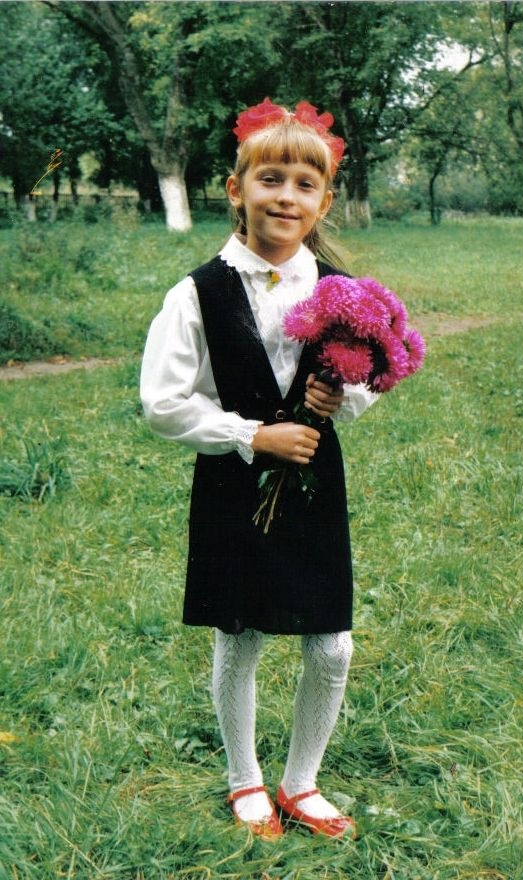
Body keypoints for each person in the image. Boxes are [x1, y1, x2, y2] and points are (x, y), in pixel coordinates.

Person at [140, 98, 377, 840]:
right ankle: (244, 779)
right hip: (232, 478)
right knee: (238, 633)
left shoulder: (340, 291)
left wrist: (341, 396)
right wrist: (250, 434)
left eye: (305, 184)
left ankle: (301, 782)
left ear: (324, 202)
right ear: (235, 189)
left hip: (311, 480)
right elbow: (163, 402)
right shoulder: (197, 293)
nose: (286, 197)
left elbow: (370, 376)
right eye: (269, 179)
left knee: (330, 641)